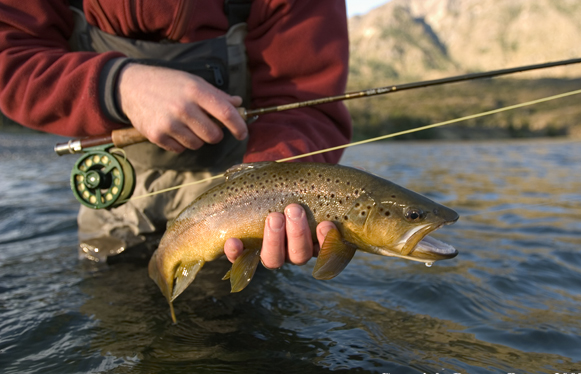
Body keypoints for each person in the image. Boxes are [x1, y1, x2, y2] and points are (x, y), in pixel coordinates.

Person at [0, 0, 352, 269]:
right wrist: (118, 85)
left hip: (242, 179)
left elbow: (305, 103)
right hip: (114, 181)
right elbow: (9, 54)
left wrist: (275, 190)